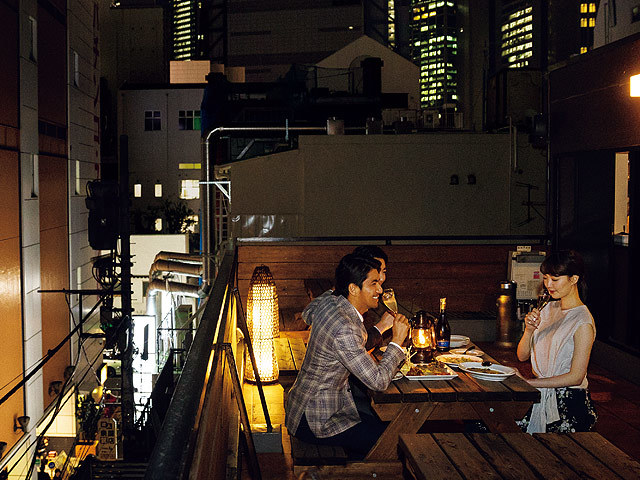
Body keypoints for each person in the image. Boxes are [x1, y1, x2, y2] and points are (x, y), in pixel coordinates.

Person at [285, 253, 410, 458]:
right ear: (353, 288)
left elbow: (308, 313)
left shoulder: (331, 302)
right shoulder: (345, 327)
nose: (380, 289)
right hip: (316, 421)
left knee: (385, 427)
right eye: (373, 283)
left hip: (304, 407)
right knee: (392, 442)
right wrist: (397, 341)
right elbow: (378, 382)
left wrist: (339, 286)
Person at [516, 250, 597, 434]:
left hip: (567, 403)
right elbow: (522, 356)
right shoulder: (548, 308)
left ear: (574, 279)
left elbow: (576, 376)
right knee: (486, 425)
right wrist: (528, 330)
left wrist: (528, 383)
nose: (548, 285)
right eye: (545, 278)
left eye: (555, 279)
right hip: (541, 394)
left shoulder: (582, 321)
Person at [303, 245, 395, 350]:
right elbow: (308, 313)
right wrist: (382, 326)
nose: (381, 278)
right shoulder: (343, 299)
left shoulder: (372, 294)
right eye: (377, 270)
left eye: (383, 271)